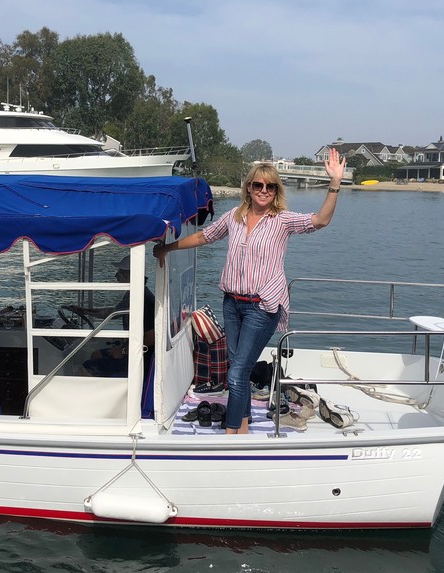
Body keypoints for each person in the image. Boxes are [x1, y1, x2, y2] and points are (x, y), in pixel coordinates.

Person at [154, 149, 346, 434]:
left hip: (262, 306)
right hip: (232, 304)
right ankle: (243, 426)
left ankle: (232, 433)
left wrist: (334, 184)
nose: (263, 190)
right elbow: (204, 236)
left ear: (276, 191)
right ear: (249, 187)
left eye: (270, 186)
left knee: (236, 372)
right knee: (237, 367)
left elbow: (320, 221)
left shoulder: (282, 220)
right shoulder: (234, 216)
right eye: (258, 185)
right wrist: (167, 248)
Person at [68, 255, 156, 378]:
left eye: (120, 272)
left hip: (139, 359)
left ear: (130, 275)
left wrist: (123, 351)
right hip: (131, 351)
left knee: (87, 367)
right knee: (96, 354)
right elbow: (113, 313)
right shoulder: (133, 294)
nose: (116, 276)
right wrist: (85, 311)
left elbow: (151, 337)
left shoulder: (144, 301)